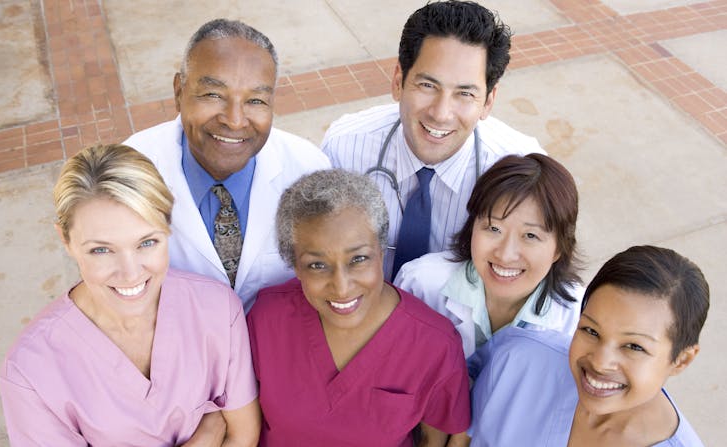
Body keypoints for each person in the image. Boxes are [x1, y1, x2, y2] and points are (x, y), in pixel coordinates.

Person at [0, 144, 260, 446]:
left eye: (147, 242)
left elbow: (243, 435)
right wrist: (207, 435)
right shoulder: (30, 370)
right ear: (66, 240)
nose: (130, 272)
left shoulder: (217, 309)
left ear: (167, 226)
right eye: (101, 250)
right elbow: (226, 429)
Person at [322, 1, 544, 280]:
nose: (441, 114)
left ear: (488, 101)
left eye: (465, 94)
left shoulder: (522, 171)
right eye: (427, 86)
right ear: (398, 82)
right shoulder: (345, 148)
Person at [247, 169, 470, 446]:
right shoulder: (267, 319)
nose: (341, 287)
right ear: (294, 265)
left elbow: (435, 440)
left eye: (358, 259)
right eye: (317, 265)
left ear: (382, 250)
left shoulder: (434, 343)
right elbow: (242, 425)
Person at [124, 19, 330, 311]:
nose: (234, 120)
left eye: (256, 100)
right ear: (178, 91)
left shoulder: (308, 168)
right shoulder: (131, 170)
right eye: (213, 95)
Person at [468, 245, 708, 446]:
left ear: (682, 360)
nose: (600, 362)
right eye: (591, 330)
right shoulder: (518, 359)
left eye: (634, 346)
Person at [395, 153, 581, 369]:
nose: (505, 255)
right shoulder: (420, 284)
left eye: (530, 236)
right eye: (494, 229)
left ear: (560, 247)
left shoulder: (578, 318)